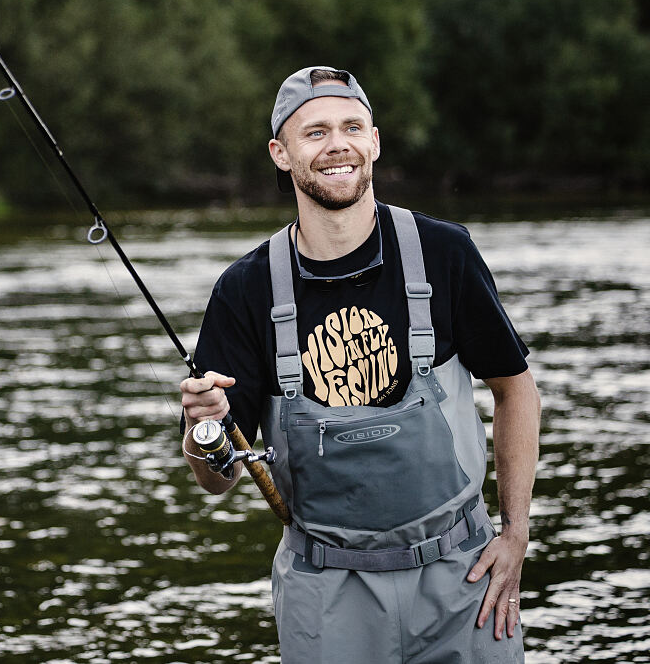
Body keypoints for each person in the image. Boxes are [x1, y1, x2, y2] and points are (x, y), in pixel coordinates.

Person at [179, 66, 541, 663]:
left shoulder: (443, 252)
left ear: (374, 140)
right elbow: (217, 479)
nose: (337, 145)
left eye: (352, 127)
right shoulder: (243, 290)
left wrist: (515, 533)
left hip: (466, 581)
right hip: (324, 594)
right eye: (314, 132)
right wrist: (201, 428)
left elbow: (516, 389)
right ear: (280, 153)